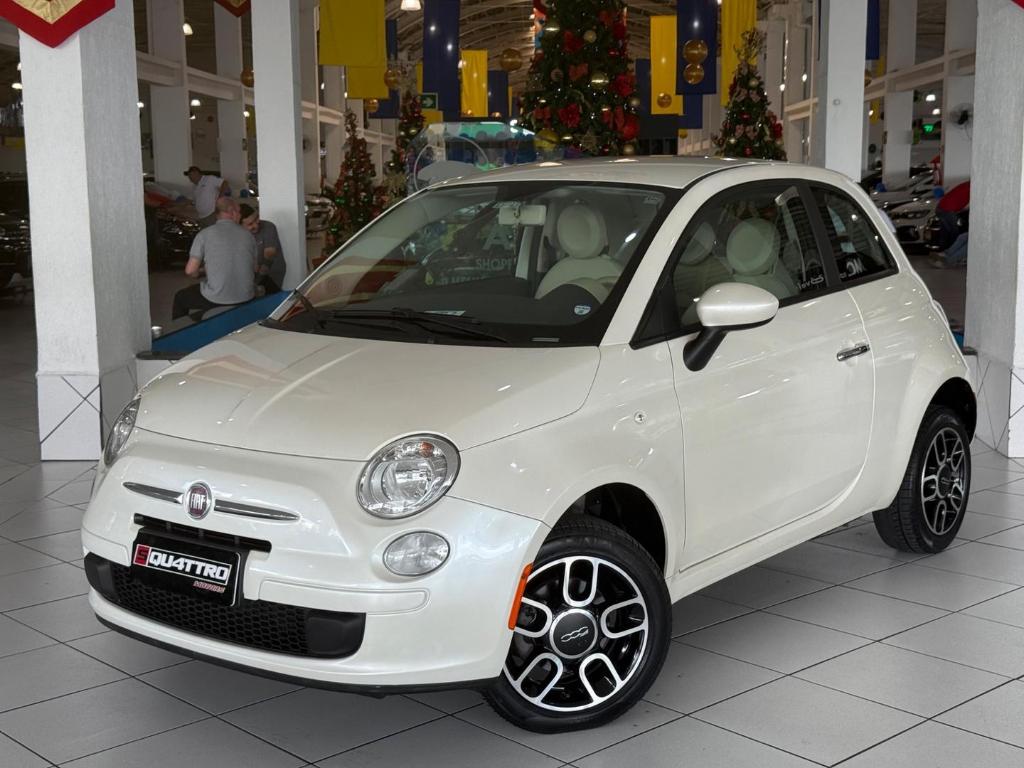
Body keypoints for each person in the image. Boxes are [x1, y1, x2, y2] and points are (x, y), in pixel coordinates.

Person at [171, 197, 258, 320]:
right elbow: (255, 268)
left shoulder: (204, 235)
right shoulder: (248, 235)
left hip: (217, 299)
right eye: (238, 212)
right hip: (246, 296)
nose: (239, 216)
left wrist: (200, 272)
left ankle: (185, 330)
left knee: (180, 297)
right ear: (231, 211)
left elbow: (190, 271)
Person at [239, 204, 286, 294]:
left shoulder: (268, 226)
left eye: (256, 219)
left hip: (270, 276)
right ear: (240, 226)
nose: (256, 225)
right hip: (250, 277)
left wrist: (256, 282)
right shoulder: (238, 234)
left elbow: (269, 255)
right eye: (250, 224)